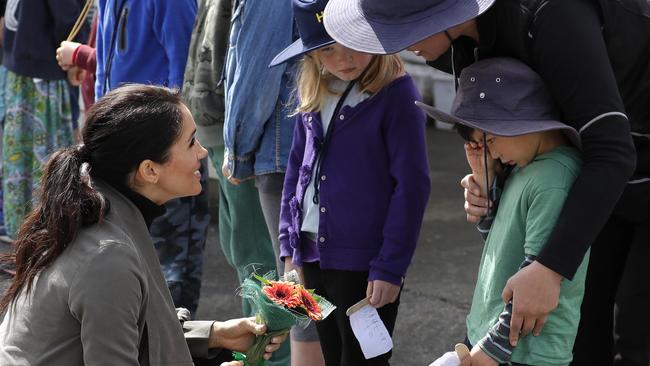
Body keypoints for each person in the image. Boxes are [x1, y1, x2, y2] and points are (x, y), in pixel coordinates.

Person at [322, 1, 650, 364]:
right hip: (593, 177)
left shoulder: (554, 15)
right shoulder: (468, 46)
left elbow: (611, 151)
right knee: (583, 333)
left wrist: (550, 267)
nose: (400, 45)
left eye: (406, 27)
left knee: (636, 337)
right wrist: (492, 189)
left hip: (619, 161)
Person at [0, 84, 286, 366]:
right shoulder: (107, 255)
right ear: (149, 170)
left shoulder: (102, 210)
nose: (201, 152)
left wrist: (215, 335)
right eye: (191, 142)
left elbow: (130, 331)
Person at [273, 1, 431, 364]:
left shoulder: (397, 94)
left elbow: (412, 186)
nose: (344, 58)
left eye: (352, 42)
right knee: (333, 355)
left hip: (365, 264)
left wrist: (391, 266)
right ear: (311, 54)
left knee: (365, 360)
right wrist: (289, 247)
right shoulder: (312, 92)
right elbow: (297, 170)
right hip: (311, 258)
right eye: (327, 48)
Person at [420, 58, 588, 366]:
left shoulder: (553, 179)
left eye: (491, 141)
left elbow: (532, 280)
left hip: (521, 353)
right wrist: (484, 179)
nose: (491, 153)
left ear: (520, 123)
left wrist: (489, 353)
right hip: (495, 340)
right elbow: (500, 244)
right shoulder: (526, 165)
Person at [219, 0, 323, 364]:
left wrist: (237, 151)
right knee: (314, 286)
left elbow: (256, 74)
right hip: (316, 140)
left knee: (296, 290)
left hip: (282, 150)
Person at [94, 0, 209, 314]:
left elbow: (185, 74)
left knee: (173, 280)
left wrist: (179, 150)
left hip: (167, 156)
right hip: (121, 156)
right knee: (127, 267)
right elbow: (105, 70)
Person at [1, 0, 86, 240]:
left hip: (38, 70)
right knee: (38, 159)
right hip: (32, 69)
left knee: (38, 158)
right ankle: (36, 232)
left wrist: (74, 57)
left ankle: (35, 232)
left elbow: (68, 19)